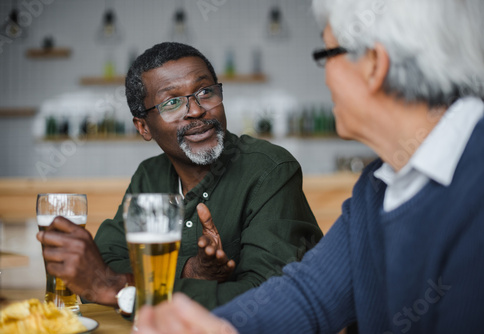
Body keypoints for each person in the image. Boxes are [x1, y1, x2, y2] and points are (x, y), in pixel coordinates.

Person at [131, 0, 484, 333]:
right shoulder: (378, 188)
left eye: (326, 54)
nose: (325, 76)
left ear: (375, 64)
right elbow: (309, 297)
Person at [36, 42, 322, 311]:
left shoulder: (270, 169)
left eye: (205, 92)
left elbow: (270, 299)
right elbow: (105, 262)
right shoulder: (149, 176)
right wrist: (189, 270)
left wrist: (120, 288)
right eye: (172, 103)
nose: (196, 110)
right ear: (143, 127)